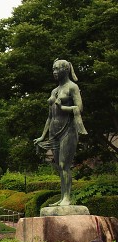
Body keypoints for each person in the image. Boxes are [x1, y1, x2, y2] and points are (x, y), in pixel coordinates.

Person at [33, 59, 87, 207]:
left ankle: (67, 198)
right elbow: (50, 117)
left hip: (68, 129)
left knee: (64, 164)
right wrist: (42, 136)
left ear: (65, 70)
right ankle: (63, 196)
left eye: (57, 69)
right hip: (54, 132)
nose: (54, 72)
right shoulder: (54, 91)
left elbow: (79, 108)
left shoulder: (72, 87)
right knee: (58, 166)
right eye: (53, 69)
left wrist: (63, 107)